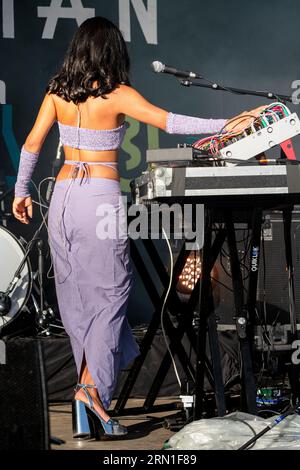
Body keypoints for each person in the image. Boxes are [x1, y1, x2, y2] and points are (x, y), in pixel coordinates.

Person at [12, 16, 265, 439]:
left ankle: (85, 392)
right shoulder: (116, 94)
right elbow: (169, 122)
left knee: (76, 298)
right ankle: (92, 393)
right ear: (111, 51)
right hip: (98, 199)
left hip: (61, 202)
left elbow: (32, 144)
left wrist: (22, 191)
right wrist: (225, 125)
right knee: (111, 295)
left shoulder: (57, 93)